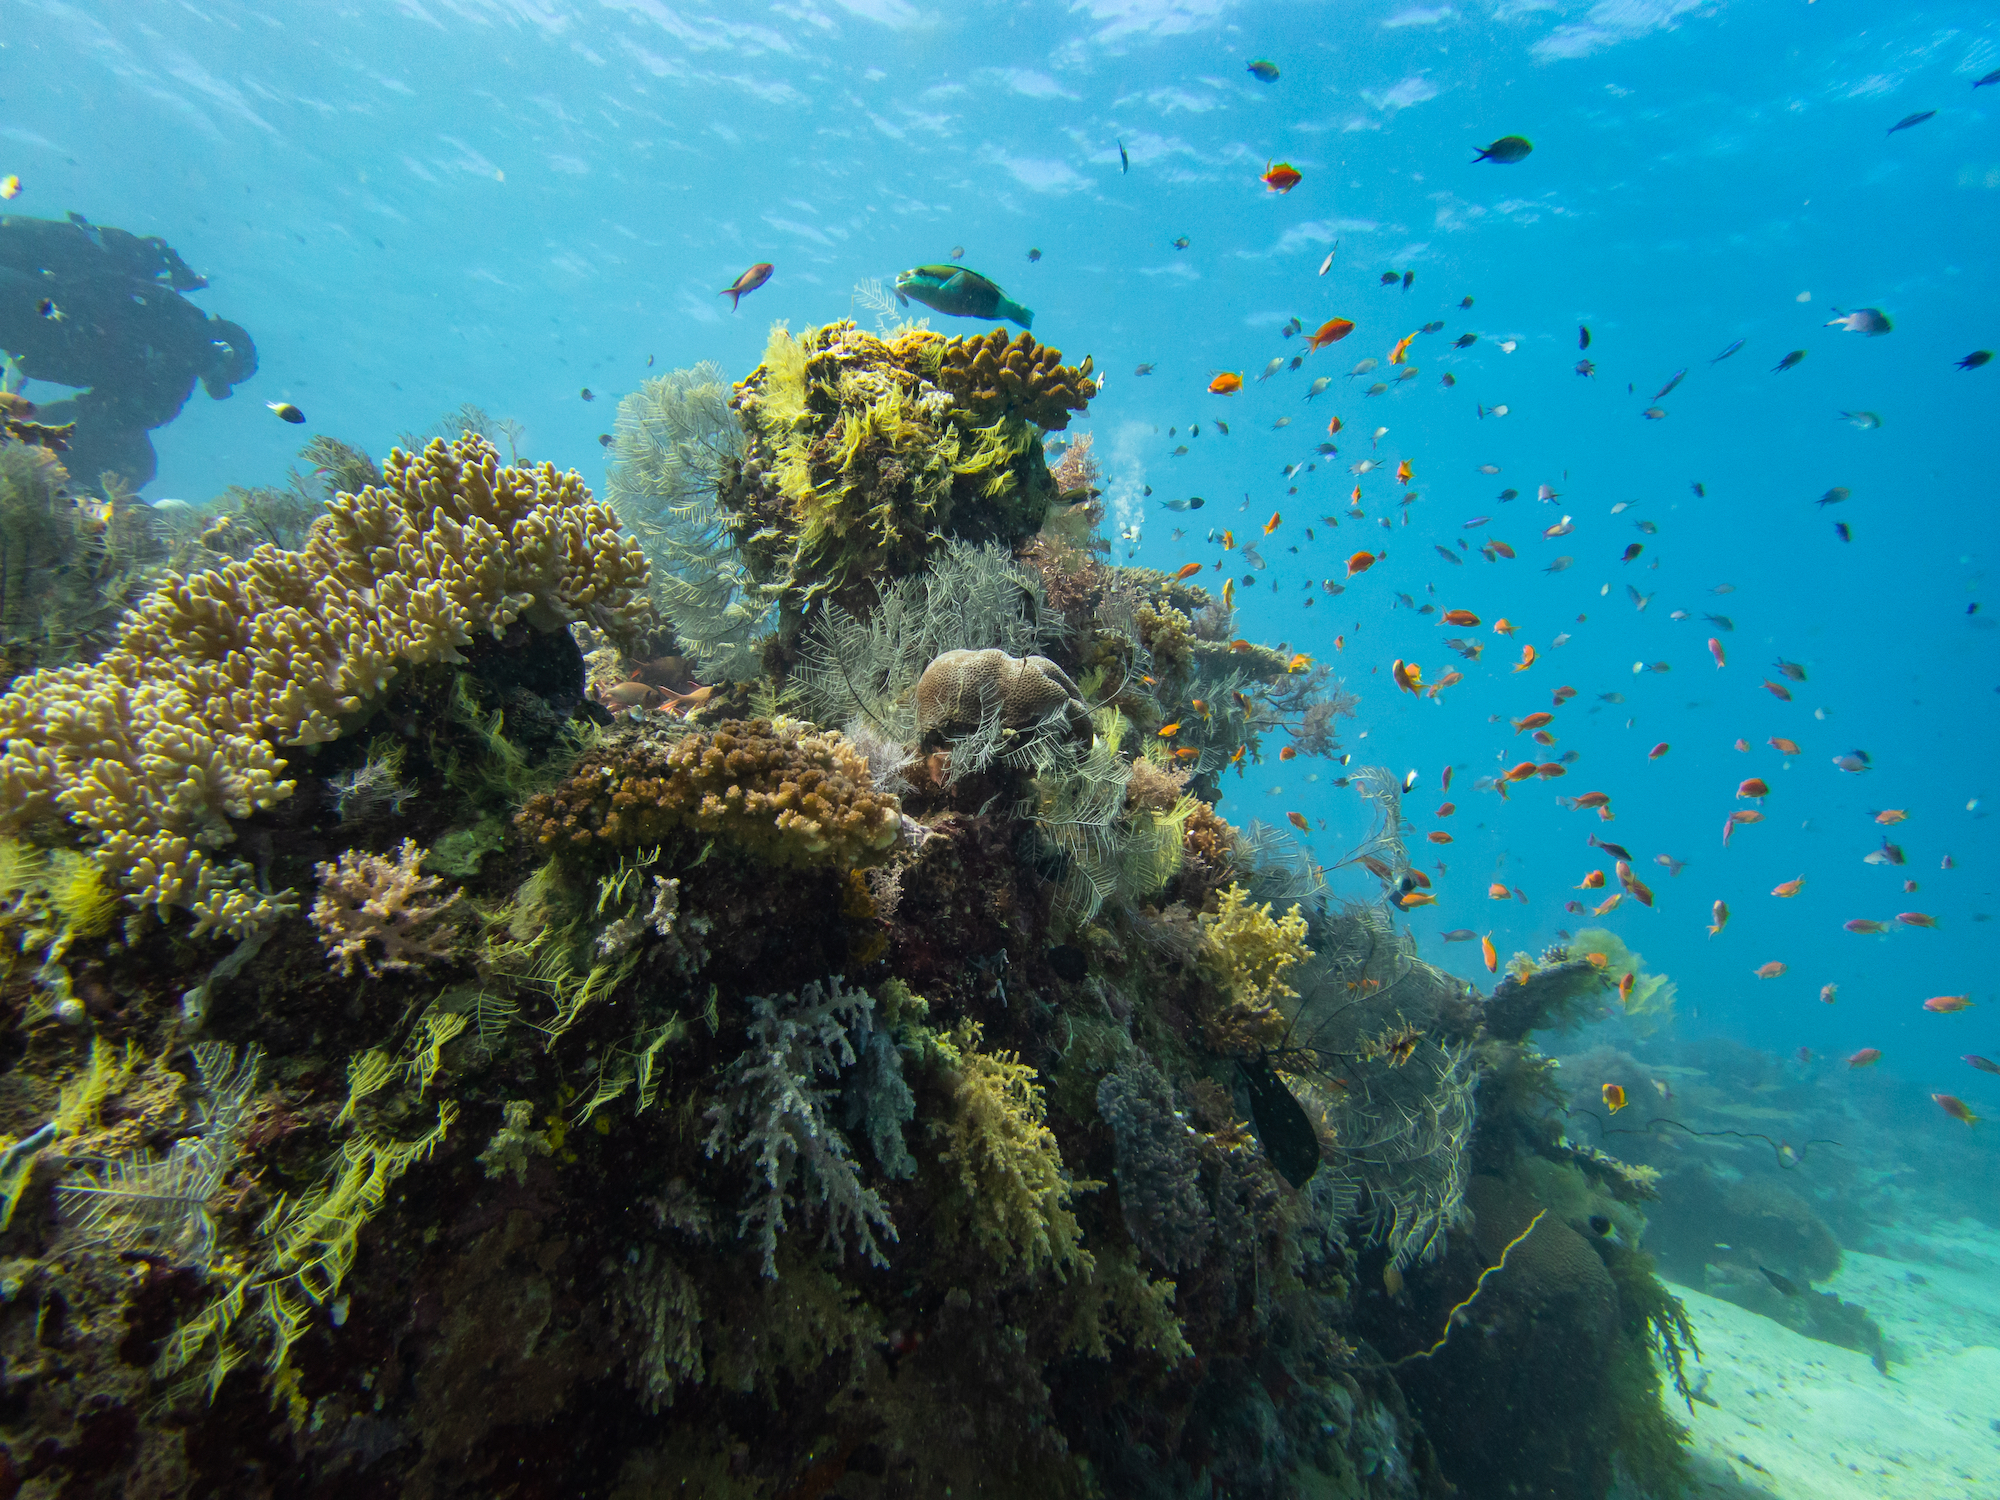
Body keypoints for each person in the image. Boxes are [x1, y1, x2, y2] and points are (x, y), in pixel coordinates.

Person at [0, 212, 256, 488]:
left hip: (51, 311)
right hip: (51, 334)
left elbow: (94, 414)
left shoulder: (172, 309)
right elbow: (101, 420)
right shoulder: (170, 380)